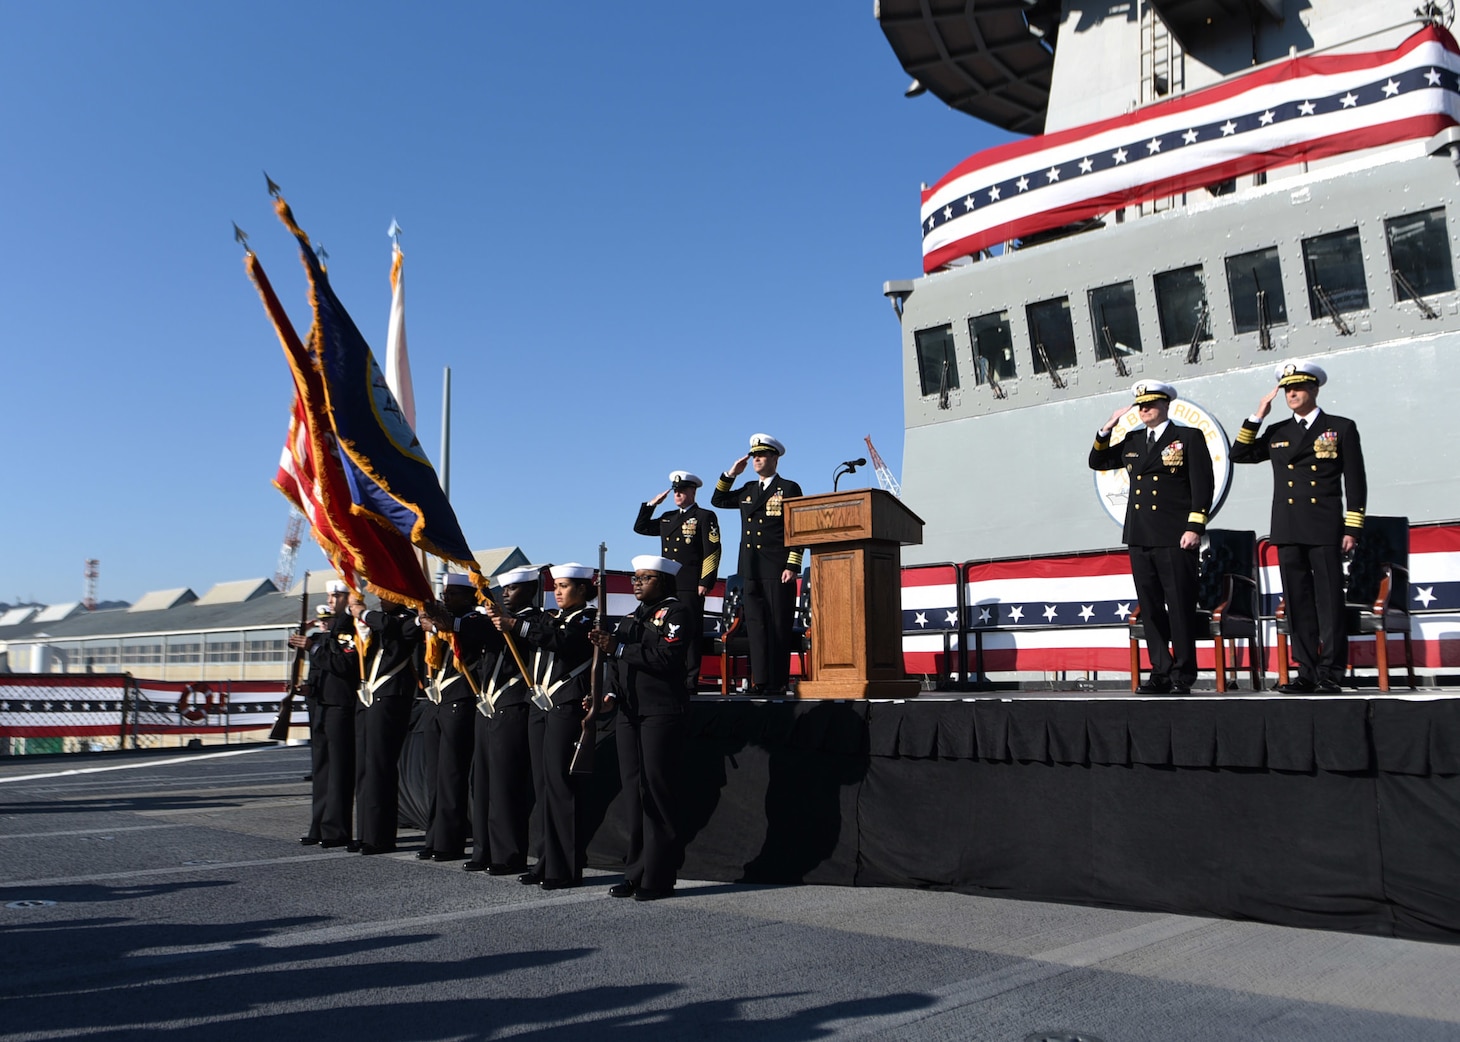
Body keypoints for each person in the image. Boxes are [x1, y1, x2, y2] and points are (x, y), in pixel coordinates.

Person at [1231, 361, 1367, 694]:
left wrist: (1352, 528)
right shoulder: (1278, 431)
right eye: (1287, 389)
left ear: (1314, 389)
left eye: (1299, 387)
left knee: (1329, 601)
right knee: (1297, 601)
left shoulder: (1340, 428)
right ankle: (1306, 672)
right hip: (1288, 527)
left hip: (1324, 525)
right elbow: (1240, 453)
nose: (1292, 393)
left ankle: (1331, 673)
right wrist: (1258, 415)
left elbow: (1357, 481)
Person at [1089, 380, 1213, 695]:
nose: (1145, 409)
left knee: (1180, 606)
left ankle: (1183, 674)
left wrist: (1194, 527)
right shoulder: (1132, 441)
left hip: (1175, 536)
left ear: (1165, 405)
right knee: (1151, 607)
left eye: (1151, 404)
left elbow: (1203, 484)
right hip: (1140, 534)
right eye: (1141, 405)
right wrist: (1107, 429)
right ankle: (1160, 671)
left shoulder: (1187, 437)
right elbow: (1098, 461)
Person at [484, 562, 596, 890]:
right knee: (543, 786)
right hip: (541, 707)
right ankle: (546, 860)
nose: (558, 591)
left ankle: (565, 867)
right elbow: (538, 632)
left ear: (582, 589)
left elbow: (563, 641)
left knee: (561, 788)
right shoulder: (550, 618)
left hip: (565, 705)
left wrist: (515, 625)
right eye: (556, 586)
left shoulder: (587, 619)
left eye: (565, 586)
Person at [589, 555, 692, 902]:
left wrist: (618, 647)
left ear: (662, 581)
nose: (636, 583)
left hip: (661, 712)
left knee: (656, 793)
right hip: (629, 713)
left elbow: (667, 658)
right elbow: (618, 668)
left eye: (644, 578)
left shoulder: (676, 613)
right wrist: (608, 694)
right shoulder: (631, 618)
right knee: (633, 795)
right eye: (635, 578)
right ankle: (635, 871)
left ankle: (659, 876)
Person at [711, 434, 804, 697]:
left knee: (777, 626)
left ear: (775, 458)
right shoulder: (749, 489)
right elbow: (718, 500)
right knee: (756, 627)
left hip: (777, 569)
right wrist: (731, 474)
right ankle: (760, 682)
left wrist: (793, 564)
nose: (756, 459)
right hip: (750, 569)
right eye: (753, 456)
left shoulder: (788, 488)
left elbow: (797, 530)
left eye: (762, 455)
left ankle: (778, 682)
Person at [464, 565, 543, 876]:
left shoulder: (533, 620)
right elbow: (478, 633)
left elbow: (499, 631)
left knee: (505, 785)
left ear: (530, 590)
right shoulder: (494, 621)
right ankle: (484, 849)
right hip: (489, 706)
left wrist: (495, 622)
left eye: (512, 589)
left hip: (512, 705)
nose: (506, 594)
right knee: (481, 782)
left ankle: (508, 854)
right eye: (504, 590)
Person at [418, 573, 490, 862]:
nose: (448, 599)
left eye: (454, 594)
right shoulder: (443, 624)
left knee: (451, 774)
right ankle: (435, 837)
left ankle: (450, 841)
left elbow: (471, 632)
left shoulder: (473, 620)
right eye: (446, 594)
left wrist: (441, 623)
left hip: (460, 700)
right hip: (438, 701)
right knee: (435, 776)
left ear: (468, 596)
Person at [633, 470, 721, 689]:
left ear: (693, 491)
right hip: (668, 585)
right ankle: (671, 676)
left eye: (682, 490)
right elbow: (640, 527)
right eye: (675, 491)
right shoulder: (668, 517)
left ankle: (690, 680)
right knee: (666, 630)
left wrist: (705, 580)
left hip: (691, 584)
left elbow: (713, 550)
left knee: (690, 633)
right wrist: (651, 504)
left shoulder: (704, 516)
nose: (678, 494)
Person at [350, 592, 423, 854]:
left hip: (391, 696)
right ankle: (366, 831)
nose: (379, 598)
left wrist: (362, 613)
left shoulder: (407, 619)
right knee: (365, 767)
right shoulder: (381, 620)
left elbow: (391, 628)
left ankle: (380, 836)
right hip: (369, 695)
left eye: (385, 593)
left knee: (380, 767)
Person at [292, 581, 353, 848]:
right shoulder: (325, 635)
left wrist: (313, 648)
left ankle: (335, 830)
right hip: (320, 706)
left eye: (337, 595)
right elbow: (321, 671)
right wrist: (308, 687)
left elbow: (342, 665)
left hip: (340, 706)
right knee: (321, 771)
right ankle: (317, 826)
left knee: (338, 771)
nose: (331, 599)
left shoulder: (350, 629)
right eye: (330, 595)